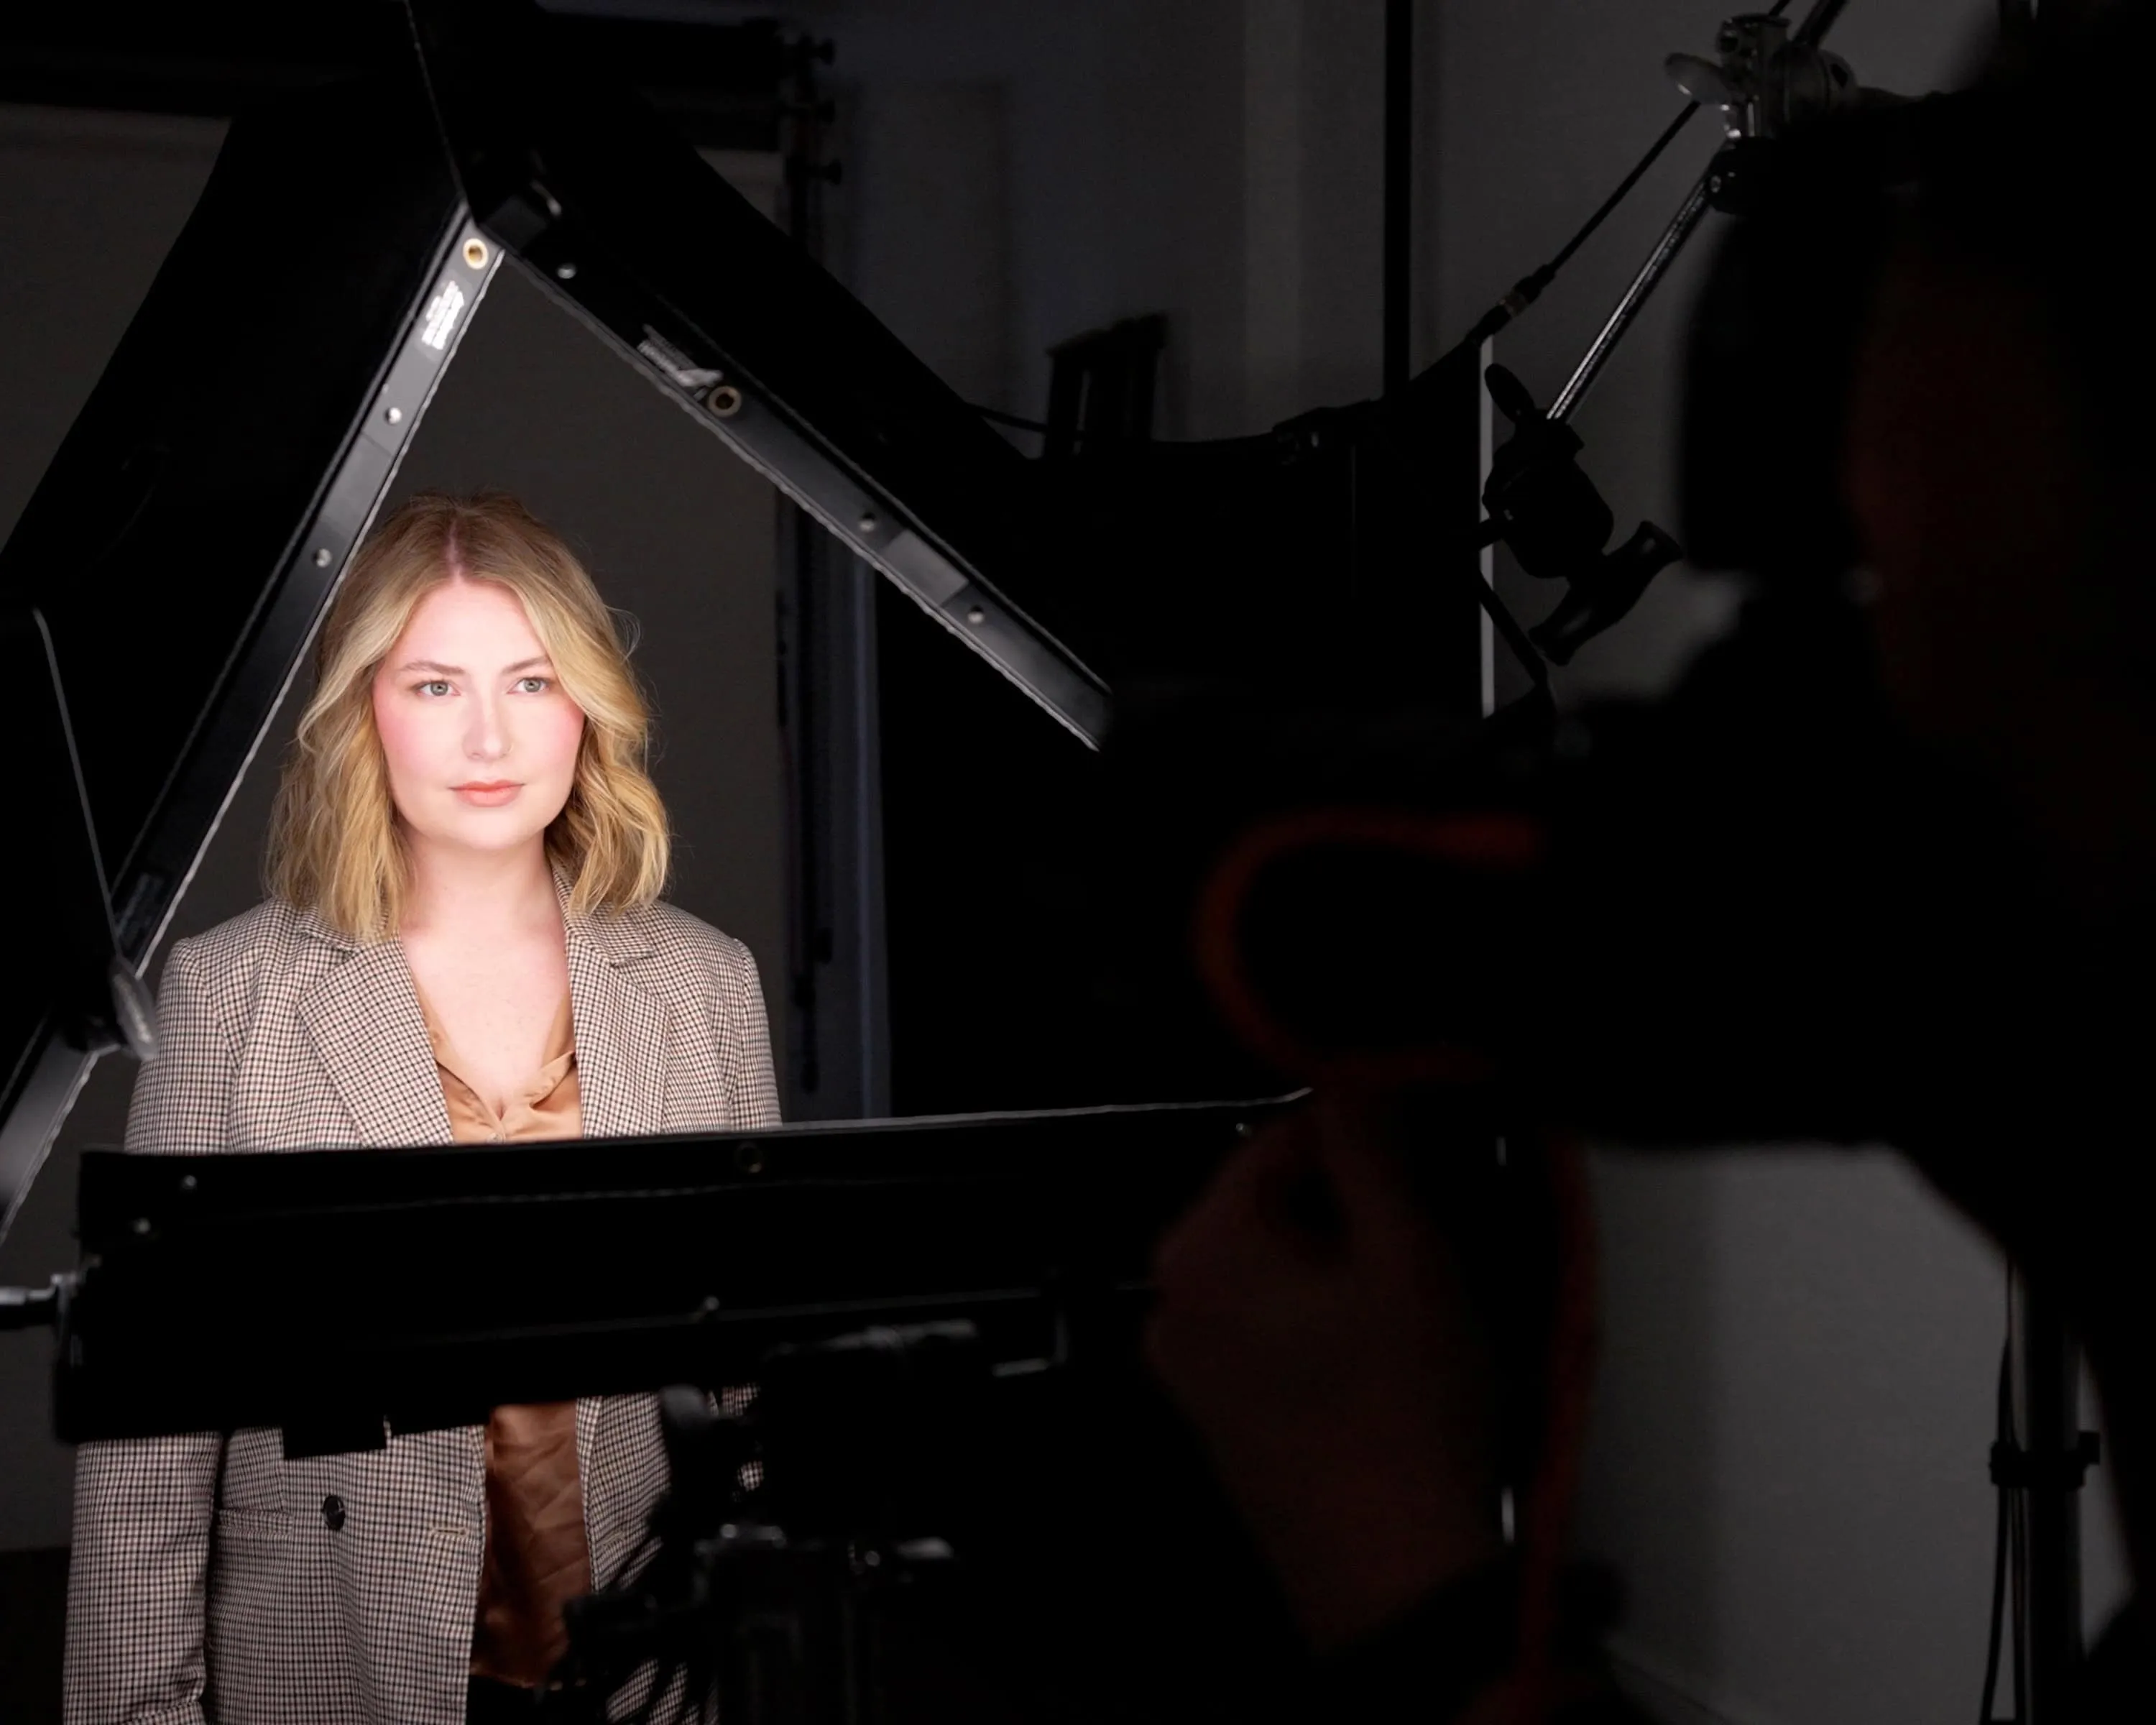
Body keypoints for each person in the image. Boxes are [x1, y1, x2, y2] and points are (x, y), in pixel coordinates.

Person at [63, 491, 780, 1725]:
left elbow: (756, 1389)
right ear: (365, 714)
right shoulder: (232, 992)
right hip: (334, 1656)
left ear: (587, 710)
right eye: (437, 686)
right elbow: (154, 1437)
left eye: (532, 682)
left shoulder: (707, 985)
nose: (490, 739)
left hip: (644, 1669)